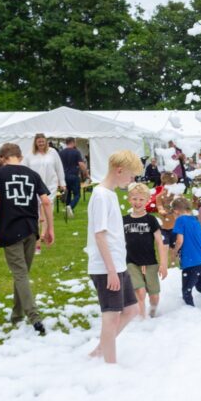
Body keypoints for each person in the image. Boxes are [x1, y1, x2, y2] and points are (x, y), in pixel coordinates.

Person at [0, 143, 53, 335]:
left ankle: (33, 316)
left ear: (1, 158)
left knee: (20, 274)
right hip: (31, 229)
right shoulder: (33, 175)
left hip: (10, 228)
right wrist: (50, 228)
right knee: (21, 273)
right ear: (20, 157)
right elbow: (46, 201)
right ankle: (17, 315)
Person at [87, 151, 143, 363]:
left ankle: (100, 349)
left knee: (131, 309)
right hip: (106, 267)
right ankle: (109, 365)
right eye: (130, 176)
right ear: (119, 171)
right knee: (110, 318)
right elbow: (99, 235)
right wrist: (111, 270)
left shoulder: (110, 194)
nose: (132, 181)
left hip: (118, 264)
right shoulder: (101, 195)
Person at [123, 183, 168, 318]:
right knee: (140, 292)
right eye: (134, 199)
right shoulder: (124, 220)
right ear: (129, 199)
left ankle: (153, 314)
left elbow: (160, 242)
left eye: (141, 199)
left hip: (150, 262)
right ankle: (143, 321)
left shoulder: (151, 220)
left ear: (147, 200)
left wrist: (163, 264)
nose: (137, 202)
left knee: (154, 296)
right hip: (131, 262)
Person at [170, 196, 201, 306]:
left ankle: (190, 313)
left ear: (176, 211)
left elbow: (179, 240)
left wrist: (174, 252)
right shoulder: (195, 221)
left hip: (190, 264)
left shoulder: (180, 220)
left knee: (186, 292)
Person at [27, 134, 65, 254]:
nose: (41, 144)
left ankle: (44, 234)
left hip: (50, 185)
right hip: (35, 187)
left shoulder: (53, 152)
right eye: (39, 142)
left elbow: (59, 168)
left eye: (43, 141)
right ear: (35, 143)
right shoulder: (30, 155)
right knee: (37, 212)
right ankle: (37, 241)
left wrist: (62, 182)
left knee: (48, 208)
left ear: (46, 142)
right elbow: (24, 169)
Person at [59, 137, 88, 218]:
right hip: (74, 176)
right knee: (77, 195)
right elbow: (81, 164)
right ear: (73, 142)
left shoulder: (61, 153)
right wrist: (86, 173)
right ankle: (70, 206)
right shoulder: (76, 152)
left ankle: (68, 211)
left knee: (67, 194)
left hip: (64, 176)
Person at [154, 172, 179, 259]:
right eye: (166, 186)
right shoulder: (160, 196)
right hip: (164, 226)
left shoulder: (177, 195)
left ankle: (174, 262)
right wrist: (162, 210)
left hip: (176, 226)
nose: (168, 190)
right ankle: (167, 264)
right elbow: (159, 206)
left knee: (175, 247)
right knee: (165, 246)